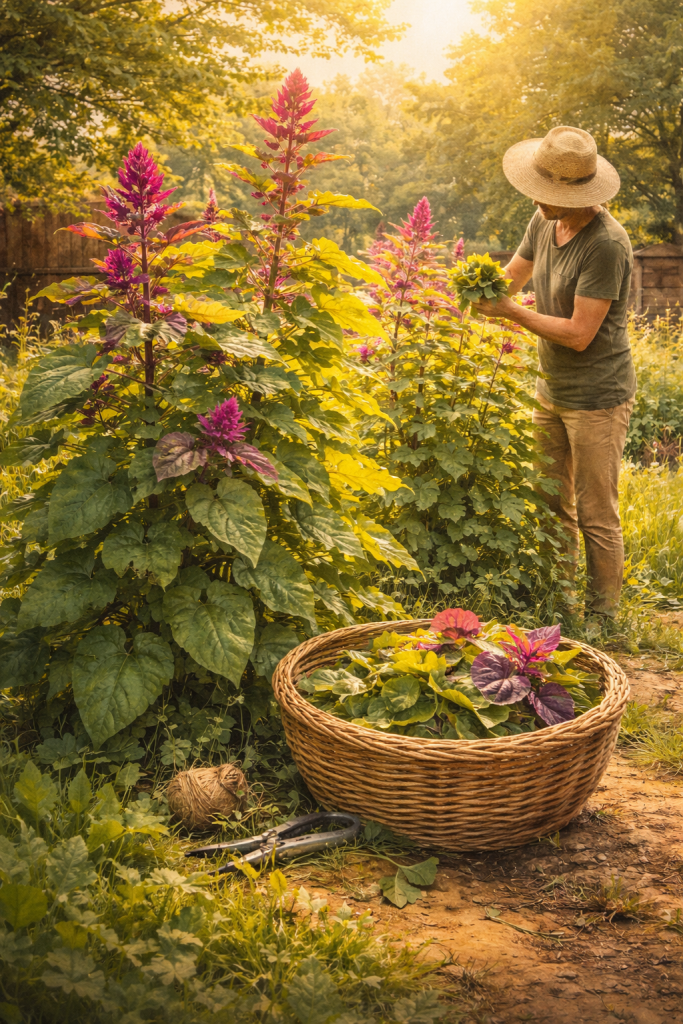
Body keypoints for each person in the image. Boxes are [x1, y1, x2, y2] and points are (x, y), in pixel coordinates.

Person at [472, 125, 636, 622]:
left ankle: (605, 621)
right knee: (550, 504)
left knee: (595, 514)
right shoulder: (544, 219)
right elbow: (513, 277)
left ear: (582, 192)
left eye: (552, 196)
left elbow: (580, 333)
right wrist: (476, 288)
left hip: (597, 397)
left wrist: (510, 312)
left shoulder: (606, 244)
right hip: (552, 389)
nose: (540, 201)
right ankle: (564, 607)